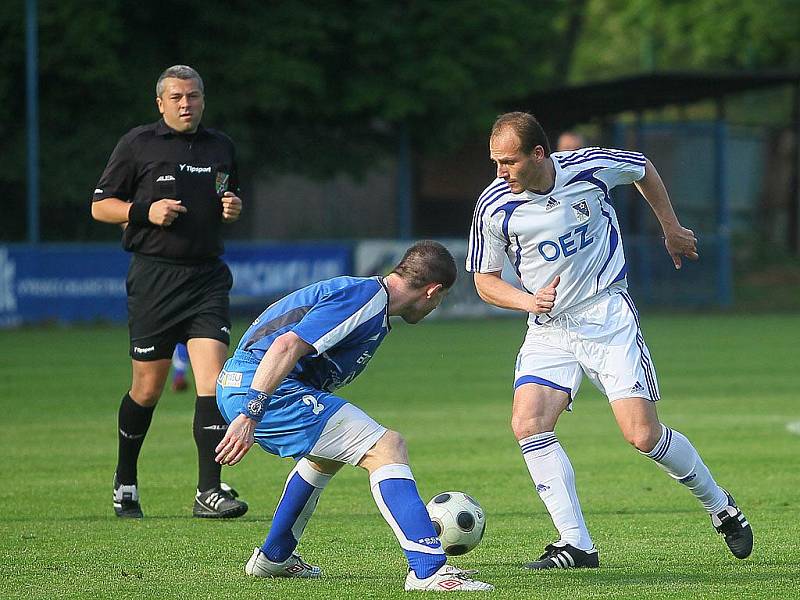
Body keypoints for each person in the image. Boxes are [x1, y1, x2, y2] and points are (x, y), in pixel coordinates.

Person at [466, 112, 752, 569]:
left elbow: (642, 167)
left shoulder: (588, 168)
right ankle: (576, 544)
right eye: (496, 162)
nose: (500, 172)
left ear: (538, 154)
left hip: (606, 317)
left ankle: (722, 507)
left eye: (509, 162)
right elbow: (484, 280)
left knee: (643, 436)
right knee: (528, 424)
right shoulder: (494, 207)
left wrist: (671, 228)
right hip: (548, 327)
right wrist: (526, 302)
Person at [215, 241, 493, 592]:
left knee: (324, 458)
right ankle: (429, 569)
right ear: (432, 291)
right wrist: (250, 413)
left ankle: (274, 557)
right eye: (440, 299)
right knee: (387, 446)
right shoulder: (363, 298)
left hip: (253, 384)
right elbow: (285, 346)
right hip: (262, 388)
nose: (436, 306)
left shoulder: (372, 304)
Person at [91, 65, 248, 519]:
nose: (186, 104)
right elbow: (101, 205)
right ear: (160, 103)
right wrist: (144, 210)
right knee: (147, 388)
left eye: (193, 96)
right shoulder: (138, 143)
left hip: (206, 279)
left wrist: (232, 207)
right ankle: (125, 480)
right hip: (154, 279)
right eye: (177, 97)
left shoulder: (222, 146)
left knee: (214, 383)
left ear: (203, 99)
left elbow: (226, 195)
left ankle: (208, 491)